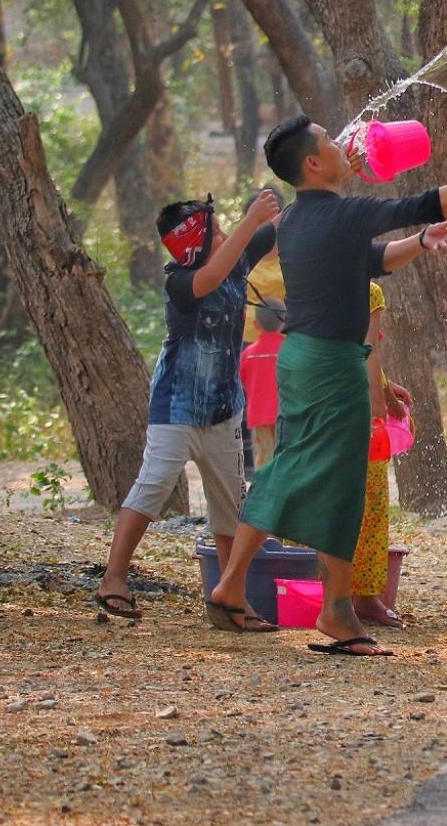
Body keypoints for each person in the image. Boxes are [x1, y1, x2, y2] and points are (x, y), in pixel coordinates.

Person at [206, 114, 447, 656]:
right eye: (329, 142)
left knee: (287, 467)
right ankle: (336, 612)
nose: (342, 147)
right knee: (342, 482)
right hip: (332, 365)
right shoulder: (340, 213)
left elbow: (373, 261)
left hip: (302, 359)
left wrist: (422, 241)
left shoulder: (298, 221)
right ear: (312, 163)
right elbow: (426, 201)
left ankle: (230, 586)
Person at [95, 189, 282, 623]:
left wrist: (323, 178)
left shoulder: (234, 259)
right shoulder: (180, 282)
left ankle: (230, 595)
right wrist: (250, 220)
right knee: (154, 485)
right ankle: (113, 579)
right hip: (176, 408)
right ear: (191, 243)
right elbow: (211, 277)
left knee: (231, 504)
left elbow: (284, 225)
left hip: (224, 410)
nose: (224, 235)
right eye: (215, 230)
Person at [354, 281, 403, 627]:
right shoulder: (367, 291)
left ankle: (326, 592)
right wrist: (377, 409)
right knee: (369, 504)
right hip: (354, 405)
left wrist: (386, 390)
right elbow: (366, 350)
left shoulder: (308, 272)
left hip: (314, 394)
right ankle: (365, 598)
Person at [240, 300, 285, 469]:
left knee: (264, 459)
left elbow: (243, 381)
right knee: (285, 458)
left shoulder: (249, 354)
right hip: (286, 415)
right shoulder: (287, 350)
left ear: (255, 324)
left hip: (259, 416)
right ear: (284, 322)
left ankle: (265, 492)